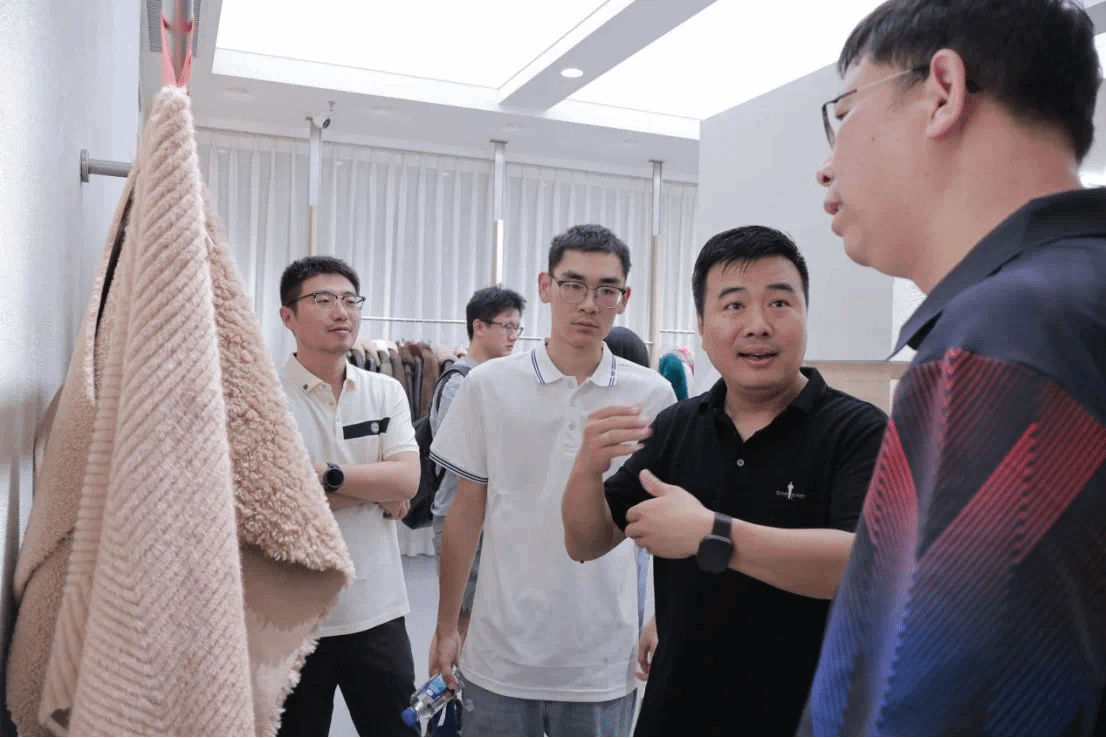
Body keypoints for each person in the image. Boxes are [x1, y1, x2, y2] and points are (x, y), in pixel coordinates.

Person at [806, 1, 1106, 735]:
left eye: (845, 112)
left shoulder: (1006, 336)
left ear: (943, 91)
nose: (826, 165)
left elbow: (941, 703)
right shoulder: (1074, 302)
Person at [562, 226, 888, 737]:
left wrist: (711, 535)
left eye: (779, 303)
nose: (758, 325)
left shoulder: (859, 431)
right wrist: (586, 469)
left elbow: (864, 570)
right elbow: (586, 542)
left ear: (805, 313)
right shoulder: (677, 426)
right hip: (677, 713)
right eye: (734, 306)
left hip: (806, 718)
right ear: (701, 324)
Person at [429, 225, 676, 737]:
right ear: (545, 286)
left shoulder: (652, 396)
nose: (588, 303)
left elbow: (665, 520)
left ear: (624, 298)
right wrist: (446, 625)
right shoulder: (488, 385)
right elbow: (466, 512)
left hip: (601, 659)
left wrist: (664, 616)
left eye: (606, 289)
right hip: (499, 654)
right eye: (573, 285)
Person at [275, 256, 421, 737]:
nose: (341, 311)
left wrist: (326, 476)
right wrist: (372, 490)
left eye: (350, 300)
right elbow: (275, 501)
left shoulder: (385, 391)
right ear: (288, 316)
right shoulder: (265, 397)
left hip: (378, 609)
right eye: (323, 300)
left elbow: (406, 482)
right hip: (292, 619)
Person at [430, 285, 527, 644]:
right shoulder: (460, 382)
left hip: (496, 514)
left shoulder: (502, 379)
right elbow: (460, 456)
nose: (513, 335)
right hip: (461, 513)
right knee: (462, 619)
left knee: (490, 619)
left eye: (517, 327)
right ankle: (451, 678)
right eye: (506, 326)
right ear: (479, 326)